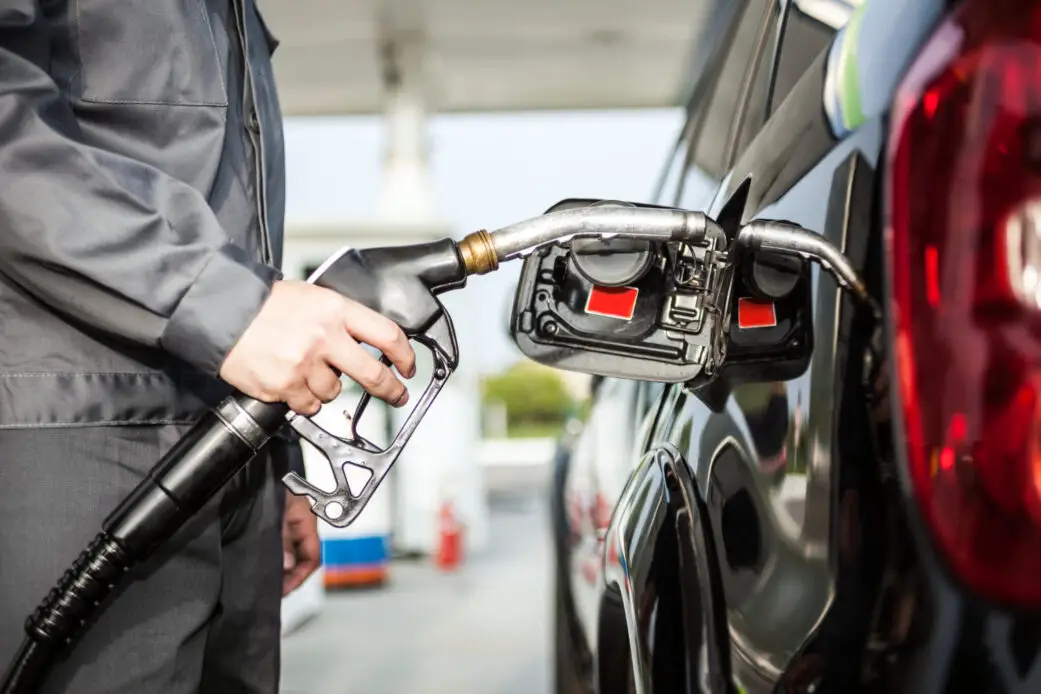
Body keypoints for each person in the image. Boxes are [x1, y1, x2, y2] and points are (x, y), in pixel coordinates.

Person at [0, 2, 416, 692]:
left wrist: (278, 463)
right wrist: (228, 307)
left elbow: (232, 217)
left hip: (232, 453)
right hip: (73, 439)